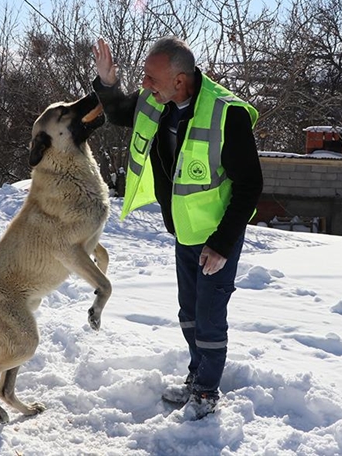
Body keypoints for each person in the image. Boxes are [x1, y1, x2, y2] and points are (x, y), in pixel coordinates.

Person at [91, 36, 263, 420]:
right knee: (188, 312)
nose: (145, 85)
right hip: (184, 230)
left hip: (218, 236)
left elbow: (250, 186)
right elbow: (120, 111)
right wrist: (106, 82)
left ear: (180, 80)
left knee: (209, 314)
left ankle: (205, 392)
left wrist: (221, 244)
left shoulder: (225, 114)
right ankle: (195, 376)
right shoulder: (158, 102)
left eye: (151, 78)